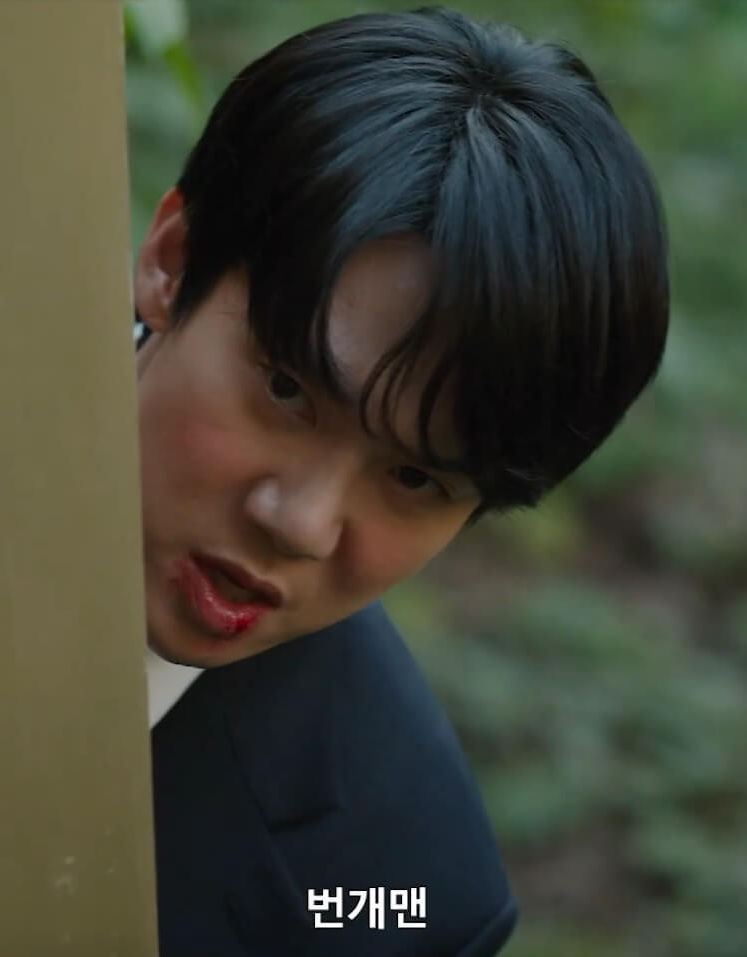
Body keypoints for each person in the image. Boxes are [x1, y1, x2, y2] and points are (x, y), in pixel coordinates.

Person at [133, 7, 668, 954]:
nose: (300, 523)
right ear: (172, 262)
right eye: (286, 390)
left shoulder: (395, 888)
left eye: (416, 478)